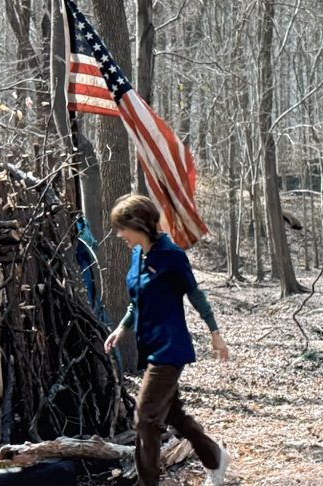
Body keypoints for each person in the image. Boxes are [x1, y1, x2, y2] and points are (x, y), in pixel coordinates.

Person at [103, 194, 232, 486]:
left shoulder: (171, 255)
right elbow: (137, 302)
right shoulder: (138, 255)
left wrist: (215, 334)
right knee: (175, 415)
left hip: (170, 348)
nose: (119, 234)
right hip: (149, 347)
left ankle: (147, 483)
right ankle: (214, 457)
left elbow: (195, 294)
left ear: (140, 225)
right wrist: (121, 329)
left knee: (145, 419)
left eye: (123, 228)